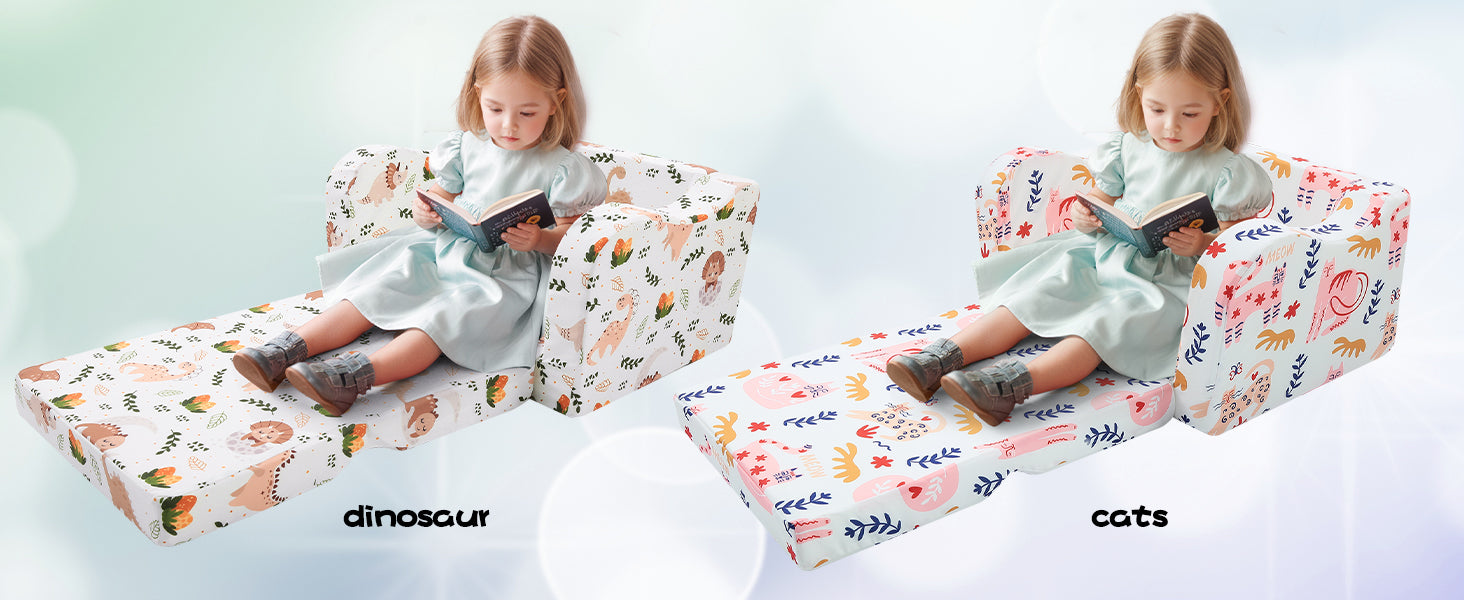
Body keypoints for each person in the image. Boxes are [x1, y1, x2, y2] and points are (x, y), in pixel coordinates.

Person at [887, 13, 1271, 427]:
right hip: (1107, 255)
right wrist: (1086, 213)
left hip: (1165, 281)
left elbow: (1238, 249)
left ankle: (1009, 387)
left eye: (1189, 114)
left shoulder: (1228, 171)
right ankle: (939, 359)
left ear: (1220, 102)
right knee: (1037, 292)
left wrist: (1200, 247)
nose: (1170, 125)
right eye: (1156, 109)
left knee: (1099, 328)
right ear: (1138, 93)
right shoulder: (1130, 145)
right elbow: (1099, 198)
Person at [232, 15, 604, 417]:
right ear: (478, 93)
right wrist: (428, 210)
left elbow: (571, 234)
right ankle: (284, 350)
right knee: (379, 287)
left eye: (527, 113)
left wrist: (540, 240)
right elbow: (440, 195)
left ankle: (353, 378)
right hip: (445, 250)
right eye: (495, 108)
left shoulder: (563, 167)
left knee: (439, 321)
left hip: (503, 275)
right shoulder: (468, 145)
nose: (508, 125)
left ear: (556, 101)